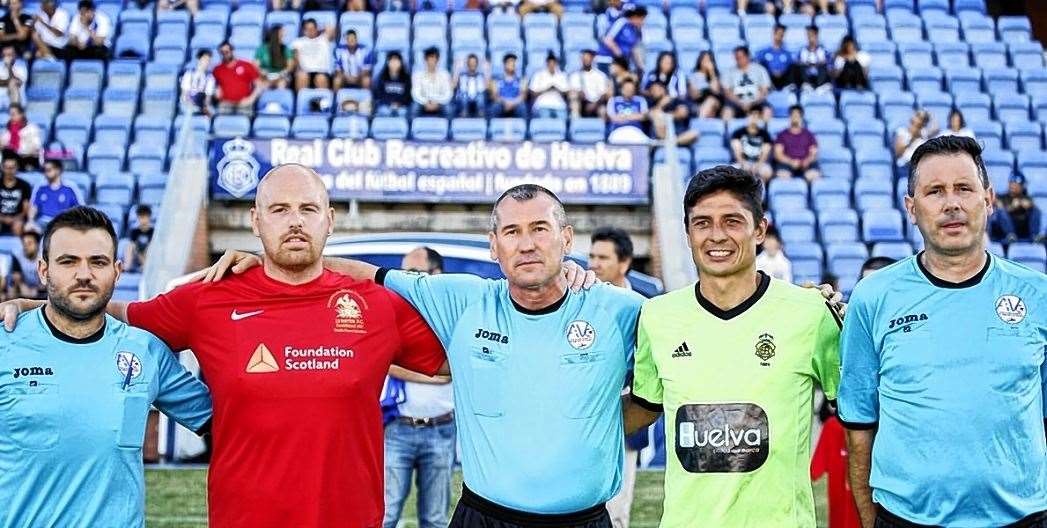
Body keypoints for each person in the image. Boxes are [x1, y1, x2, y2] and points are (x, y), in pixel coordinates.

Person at [2, 165, 449, 528]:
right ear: (255, 221)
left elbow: (451, 366)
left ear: (329, 220)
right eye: (278, 209)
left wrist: (345, 270)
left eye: (308, 209)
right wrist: (36, 307)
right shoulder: (209, 297)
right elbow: (117, 315)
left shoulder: (376, 305)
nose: (294, 221)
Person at [203, 184, 639, 528]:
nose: (527, 244)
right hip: (484, 516)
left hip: (585, 520)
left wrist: (598, 424)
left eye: (540, 229)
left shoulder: (621, 311)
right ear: (493, 246)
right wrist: (270, 262)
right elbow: (365, 274)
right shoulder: (462, 299)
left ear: (566, 237)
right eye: (512, 232)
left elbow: (664, 383)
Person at [838, 135, 1047, 528]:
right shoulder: (873, 297)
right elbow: (859, 426)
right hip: (906, 520)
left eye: (964, 189)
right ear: (911, 208)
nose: (952, 203)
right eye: (935, 191)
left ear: (987, 199)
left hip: (1024, 519)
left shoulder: (1038, 295)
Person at [623, 165, 842, 527]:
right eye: (703, 223)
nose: (717, 236)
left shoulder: (811, 313)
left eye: (732, 221)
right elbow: (644, 408)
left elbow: (859, 413)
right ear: (688, 232)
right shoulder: (657, 316)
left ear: (759, 229)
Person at [0, 206, 212, 527]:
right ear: (43, 270)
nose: (83, 274)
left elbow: (230, 422)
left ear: (117, 270)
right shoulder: (7, 342)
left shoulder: (145, 350)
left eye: (97, 262)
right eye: (68, 261)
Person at [382, 247, 456, 528]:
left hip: (441, 429)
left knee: (435, 520)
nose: (405, 281)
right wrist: (430, 375)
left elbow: (453, 370)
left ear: (437, 274)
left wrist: (434, 373)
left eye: (413, 274)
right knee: (385, 516)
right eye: (402, 273)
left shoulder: (451, 314)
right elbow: (383, 362)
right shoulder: (393, 312)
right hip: (398, 427)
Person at [587, 226, 649, 528]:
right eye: (591, 256)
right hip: (580, 421)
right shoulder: (576, 301)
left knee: (617, 512)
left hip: (626, 418)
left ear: (623, 263)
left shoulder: (645, 307)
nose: (594, 264)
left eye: (603, 257)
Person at [810, 399, 861, 528]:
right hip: (845, 504)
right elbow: (815, 469)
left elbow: (815, 469)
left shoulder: (831, 426)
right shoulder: (831, 427)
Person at [29, 159, 83, 229]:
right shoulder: (40, 187)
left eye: (48, 170)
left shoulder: (70, 187)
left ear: (58, 170)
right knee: (30, 231)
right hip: (43, 221)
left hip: (63, 222)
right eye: (44, 170)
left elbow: (80, 207)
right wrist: (30, 221)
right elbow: (34, 206)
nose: (45, 173)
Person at [722, 46, 772, 121]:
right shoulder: (729, 72)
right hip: (736, 103)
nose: (738, 60)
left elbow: (764, 91)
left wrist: (752, 102)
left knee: (767, 111)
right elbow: (727, 92)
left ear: (747, 56)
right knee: (727, 112)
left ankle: (764, 131)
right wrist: (740, 103)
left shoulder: (759, 69)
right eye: (736, 58)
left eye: (740, 57)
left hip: (756, 102)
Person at [214, 41, 263, 116]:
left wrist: (251, 99)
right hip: (226, 103)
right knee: (219, 120)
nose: (225, 54)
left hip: (244, 103)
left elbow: (259, 85)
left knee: (244, 121)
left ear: (232, 51)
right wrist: (216, 94)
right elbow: (216, 87)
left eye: (227, 52)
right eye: (222, 53)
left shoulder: (246, 65)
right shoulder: (217, 69)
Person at [990, 173, 1043, 243]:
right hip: (1005, 231)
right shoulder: (1002, 197)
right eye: (1011, 182)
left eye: (1017, 184)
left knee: (1036, 210)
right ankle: (1011, 235)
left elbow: (1031, 206)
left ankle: (1035, 236)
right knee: (1001, 211)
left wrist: (1028, 206)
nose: (1013, 185)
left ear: (1022, 186)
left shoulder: (1026, 198)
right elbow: (998, 209)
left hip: (1022, 229)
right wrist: (1012, 207)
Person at [774, 105, 821, 182]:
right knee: (783, 176)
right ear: (790, 117)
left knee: (814, 176)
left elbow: (814, 153)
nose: (795, 117)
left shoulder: (809, 134)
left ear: (801, 117)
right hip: (787, 164)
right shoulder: (782, 134)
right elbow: (778, 154)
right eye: (793, 115)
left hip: (806, 164)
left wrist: (807, 161)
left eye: (797, 115)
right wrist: (791, 162)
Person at [596, 4, 645, 73]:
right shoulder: (622, 22)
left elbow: (633, 49)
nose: (643, 22)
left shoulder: (636, 30)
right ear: (635, 17)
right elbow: (608, 40)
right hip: (608, 59)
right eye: (641, 19)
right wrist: (621, 56)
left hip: (621, 63)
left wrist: (640, 66)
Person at [730, 105, 774, 181]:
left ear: (760, 118)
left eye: (757, 115)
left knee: (767, 172)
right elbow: (737, 151)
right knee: (732, 172)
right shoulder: (738, 133)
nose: (754, 117)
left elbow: (765, 153)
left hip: (759, 163)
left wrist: (757, 165)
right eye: (752, 115)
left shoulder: (765, 134)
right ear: (748, 116)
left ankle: (759, 189)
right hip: (741, 162)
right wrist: (743, 163)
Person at [648, 80, 698, 146]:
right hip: (662, 135)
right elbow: (650, 114)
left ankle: (670, 143)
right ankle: (667, 142)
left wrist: (665, 116)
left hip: (678, 134)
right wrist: (661, 105)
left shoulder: (675, 100)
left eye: (654, 90)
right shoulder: (651, 102)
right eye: (651, 90)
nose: (652, 92)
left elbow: (682, 113)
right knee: (656, 116)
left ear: (662, 89)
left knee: (694, 133)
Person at [292, 18, 336, 92]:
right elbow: (295, 58)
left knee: (320, 78)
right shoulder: (298, 42)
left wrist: (321, 28)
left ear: (316, 28)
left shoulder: (324, 39)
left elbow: (331, 28)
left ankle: (323, 102)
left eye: (312, 28)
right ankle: (300, 101)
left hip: (321, 71)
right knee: (302, 76)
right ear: (304, 30)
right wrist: (299, 69)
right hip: (305, 71)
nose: (310, 31)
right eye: (308, 29)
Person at [893, 109, 938, 179]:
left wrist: (930, 115)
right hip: (905, 167)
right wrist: (911, 141)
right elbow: (898, 153)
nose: (919, 120)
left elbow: (936, 128)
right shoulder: (902, 131)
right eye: (918, 117)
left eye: (922, 119)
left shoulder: (923, 133)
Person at [568, 49, 612, 119]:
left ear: (592, 59)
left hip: (597, 103)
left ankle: (603, 128)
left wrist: (595, 104)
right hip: (582, 103)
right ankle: (575, 126)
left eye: (588, 58)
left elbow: (603, 93)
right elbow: (574, 91)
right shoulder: (575, 75)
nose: (586, 60)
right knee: (574, 103)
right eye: (584, 59)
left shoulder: (600, 75)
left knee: (603, 110)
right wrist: (581, 95)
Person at [411, 47, 453, 118]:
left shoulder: (445, 75)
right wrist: (425, 102)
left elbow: (448, 93)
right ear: (425, 59)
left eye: (435, 58)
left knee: (448, 109)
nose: (432, 61)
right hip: (423, 103)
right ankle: (411, 128)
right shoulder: (418, 75)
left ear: (438, 60)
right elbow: (415, 93)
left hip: (439, 102)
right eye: (430, 58)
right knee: (414, 108)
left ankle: (449, 128)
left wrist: (437, 102)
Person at [606, 77, 649, 144]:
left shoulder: (640, 100)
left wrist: (624, 116)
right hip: (618, 131)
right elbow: (612, 118)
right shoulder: (613, 100)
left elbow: (643, 116)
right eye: (627, 89)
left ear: (634, 90)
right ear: (622, 90)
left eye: (631, 89)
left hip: (636, 130)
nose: (629, 91)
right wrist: (634, 116)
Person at [528, 52, 570, 119]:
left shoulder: (562, 75)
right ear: (547, 63)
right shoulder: (538, 75)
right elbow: (532, 93)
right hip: (542, 105)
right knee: (545, 123)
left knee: (563, 121)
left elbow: (567, 92)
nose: (552, 65)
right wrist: (546, 89)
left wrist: (557, 89)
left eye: (554, 62)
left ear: (556, 63)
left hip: (559, 105)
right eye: (550, 62)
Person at [0, 105, 42, 170]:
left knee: (10, 152)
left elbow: (36, 147)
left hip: (28, 158)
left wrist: (18, 151)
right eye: (10, 115)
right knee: (7, 152)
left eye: (13, 114)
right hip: (12, 158)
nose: (11, 117)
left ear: (21, 115)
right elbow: (3, 144)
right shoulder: (8, 130)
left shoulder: (31, 128)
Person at [6, 228, 44, 299]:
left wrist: (37, 290)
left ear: (37, 245)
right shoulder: (17, 256)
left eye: (29, 243)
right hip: (23, 287)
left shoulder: (43, 256)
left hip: (40, 289)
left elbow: (45, 280)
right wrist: (29, 292)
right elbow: (17, 279)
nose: (26, 246)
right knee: (13, 287)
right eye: (24, 243)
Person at [255, 25, 294, 90]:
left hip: (281, 76)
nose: (283, 37)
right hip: (265, 76)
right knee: (261, 84)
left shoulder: (285, 49)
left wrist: (283, 73)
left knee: (282, 84)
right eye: (281, 35)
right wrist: (262, 72)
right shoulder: (262, 49)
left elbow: (290, 65)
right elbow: (255, 65)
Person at [373, 51, 412, 118]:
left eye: (397, 61)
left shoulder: (406, 78)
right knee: (384, 111)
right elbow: (379, 94)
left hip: (401, 106)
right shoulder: (382, 77)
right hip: (386, 105)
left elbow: (408, 95)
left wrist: (399, 104)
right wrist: (390, 103)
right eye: (392, 61)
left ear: (401, 63)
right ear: (388, 63)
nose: (394, 64)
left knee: (403, 112)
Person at [488, 53, 527, 118]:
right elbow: (494, 96)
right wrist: (505, 102)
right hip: (502, 103)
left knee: (522, 108)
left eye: (514, 62)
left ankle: (524, 127)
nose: (513, 64)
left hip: (516, 103)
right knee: (495, 107)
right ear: (504, 64)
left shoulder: (522, 80)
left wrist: (512, 103)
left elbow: (523, 96)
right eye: (510, 62)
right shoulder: (496, 80)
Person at [687, 51, 723, 119]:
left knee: (710, 100)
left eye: (708, 60)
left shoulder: (715, 76)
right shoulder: (694, 76)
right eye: (704, 59)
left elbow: (715, 90)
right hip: (699, 102)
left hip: (714, 102)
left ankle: (700, 122)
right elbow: (694, 95)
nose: (706, 62)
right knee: (707, 106)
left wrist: (711, 71)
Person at [793, 25, 831, 92]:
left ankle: (821, 86)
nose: (810, 37)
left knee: (823, 66)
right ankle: (807, 85)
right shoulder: (802, 50)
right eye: (808, 35)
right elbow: (797, 62)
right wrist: (806, 63)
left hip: (819, 76)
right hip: (807, 76)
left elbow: (829, 63)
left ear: (816, 35)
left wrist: (818, 63)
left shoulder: (823, 50)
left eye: (812, 35)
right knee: (800, 66)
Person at [757, 25, 794, 91]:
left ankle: (787, 87)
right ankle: (767, 87)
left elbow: (789, 65)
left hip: (783, 78)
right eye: (779, 34)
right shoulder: (765, 52)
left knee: (794, 66)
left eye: (782, 35)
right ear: (774, 34)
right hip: (770, 78)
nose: (780, 37)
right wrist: (772, 71)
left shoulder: (786, 53)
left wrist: (781, 72)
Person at [0, 155, 30, 236]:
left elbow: (26, 209)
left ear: (17, 168)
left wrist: (14, 219)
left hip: (18, 218)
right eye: (7, 167)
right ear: (2, 168)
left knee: (18, 226)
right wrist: (3, 218)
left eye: (12, 167)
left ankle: (18, 248)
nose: (9, 171)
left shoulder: (24, 185)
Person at [180, 49, 215, 117]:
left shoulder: (210, 78)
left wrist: (205, 107)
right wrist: (189, 103)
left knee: (211, 112)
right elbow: (184, 94)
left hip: (201, 103)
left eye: (208, 60)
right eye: (205, 60)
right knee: (189, 110)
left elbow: (208, 97)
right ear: (198, 60)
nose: (207, 62)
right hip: (188, 103)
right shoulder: (189, 74)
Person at [453, 54, 487, 118]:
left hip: (477, 97)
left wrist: (486, 70)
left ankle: (481, 115)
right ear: (467, 64)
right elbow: (455, 85)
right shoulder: (462, 75)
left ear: (477, 64)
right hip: (465, 97)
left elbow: (485, 87)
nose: (472, 64)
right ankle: (463, 113)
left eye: (474, 62)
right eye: (470, 62)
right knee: (463, 96)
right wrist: (456, 69)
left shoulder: (481, 75)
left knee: (481, 97)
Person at [123, 204, 153, 272]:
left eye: (145, 217)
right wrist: (138, 250)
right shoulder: (134, 231)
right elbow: (134, 244)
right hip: (137, 253)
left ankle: (146, 265)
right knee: (130, 246)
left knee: (150, 247)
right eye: (141, 217)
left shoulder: (153, 231)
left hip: (148, 254)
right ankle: (127, 266)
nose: (143, 220)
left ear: (149, 217)